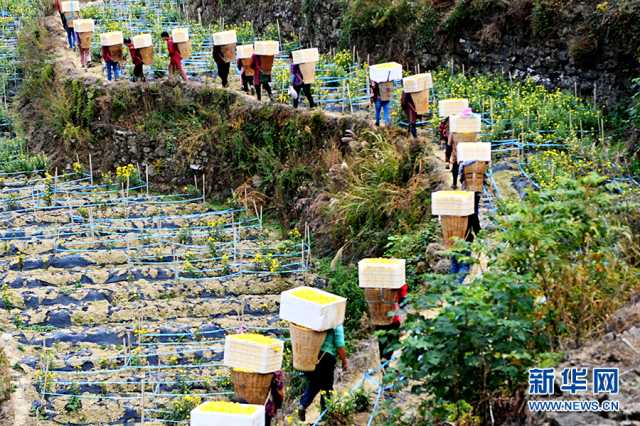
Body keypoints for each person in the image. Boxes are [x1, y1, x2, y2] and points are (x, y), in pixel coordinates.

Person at [298, 324, 348, 421]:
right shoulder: (336, 323)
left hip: (311, 355)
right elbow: (339, 344)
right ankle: (325, 416)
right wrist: (344, 361)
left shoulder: (318, 320)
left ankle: (303, 404)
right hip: (326, 358)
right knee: (327, 388)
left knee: (315, 384)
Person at [375, 283, 408, 361]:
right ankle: (386, 361)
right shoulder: (397, 279)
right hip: (392, 318)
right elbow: (403, 301)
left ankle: (383, 362)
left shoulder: (374, 281)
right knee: (393, 341)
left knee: (382, 342)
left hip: (377, 318)